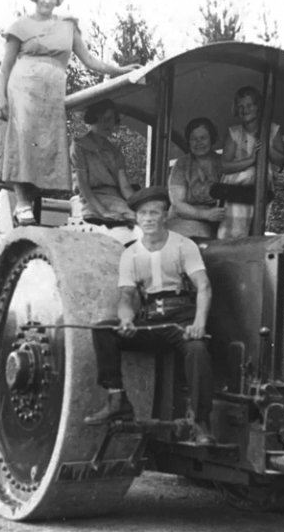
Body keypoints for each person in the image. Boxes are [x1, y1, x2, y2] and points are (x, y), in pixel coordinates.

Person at [0, 0, 141, 226]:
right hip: (22, 90)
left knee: (46, 150)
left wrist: (118, 71)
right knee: (23, 145)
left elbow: (89, 60)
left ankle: (28, 203)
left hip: (51, 96)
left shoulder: (67, 26)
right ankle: (23, 203)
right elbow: (5, 67)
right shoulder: (20, 26)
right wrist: (1, 99)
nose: (47, 0)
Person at [84, 186, 215, 445]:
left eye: (155, 213)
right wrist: (126, 320)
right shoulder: (130, 254)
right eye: (143, 214)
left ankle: (201, 422)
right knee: (104, 330)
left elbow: (204, 286)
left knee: (197, 349)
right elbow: (126, 297)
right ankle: (117, 399)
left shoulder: (184, 246)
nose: (149, 218)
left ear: (165, 216)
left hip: (181, 322)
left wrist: (199, 324)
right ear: (136, 218)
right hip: (151, 323)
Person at [218, 86, 284, 239]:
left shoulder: (272, 130)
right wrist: (251, 160)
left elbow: (282, 161)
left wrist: (266, 147)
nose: (245, 110)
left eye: (249, 105)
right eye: (240, 106)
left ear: (258, 107)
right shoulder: (234, 133)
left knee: (255, 228)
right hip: (236, 190)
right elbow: (225, 166)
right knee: (234, 231)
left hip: (260, 188)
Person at [70, 99, 136, 224]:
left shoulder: (115, 152)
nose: (108, 124)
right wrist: (104, 212)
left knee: (138, 219)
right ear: (92, 118)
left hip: (116, 201)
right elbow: (83, 186)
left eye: (111, 119)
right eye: (103, 118)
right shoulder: (79, 146)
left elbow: (125, 187)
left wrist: (141, 207)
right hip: (90, 201)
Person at [166, 117, 226, 238]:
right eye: (194, 139)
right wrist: (206, 214)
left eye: (203, 138)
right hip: (182, 219)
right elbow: (178, 204)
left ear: (212, 139)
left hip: (216, 221)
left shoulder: (223, 163)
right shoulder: (181, 164)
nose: (198, 143)